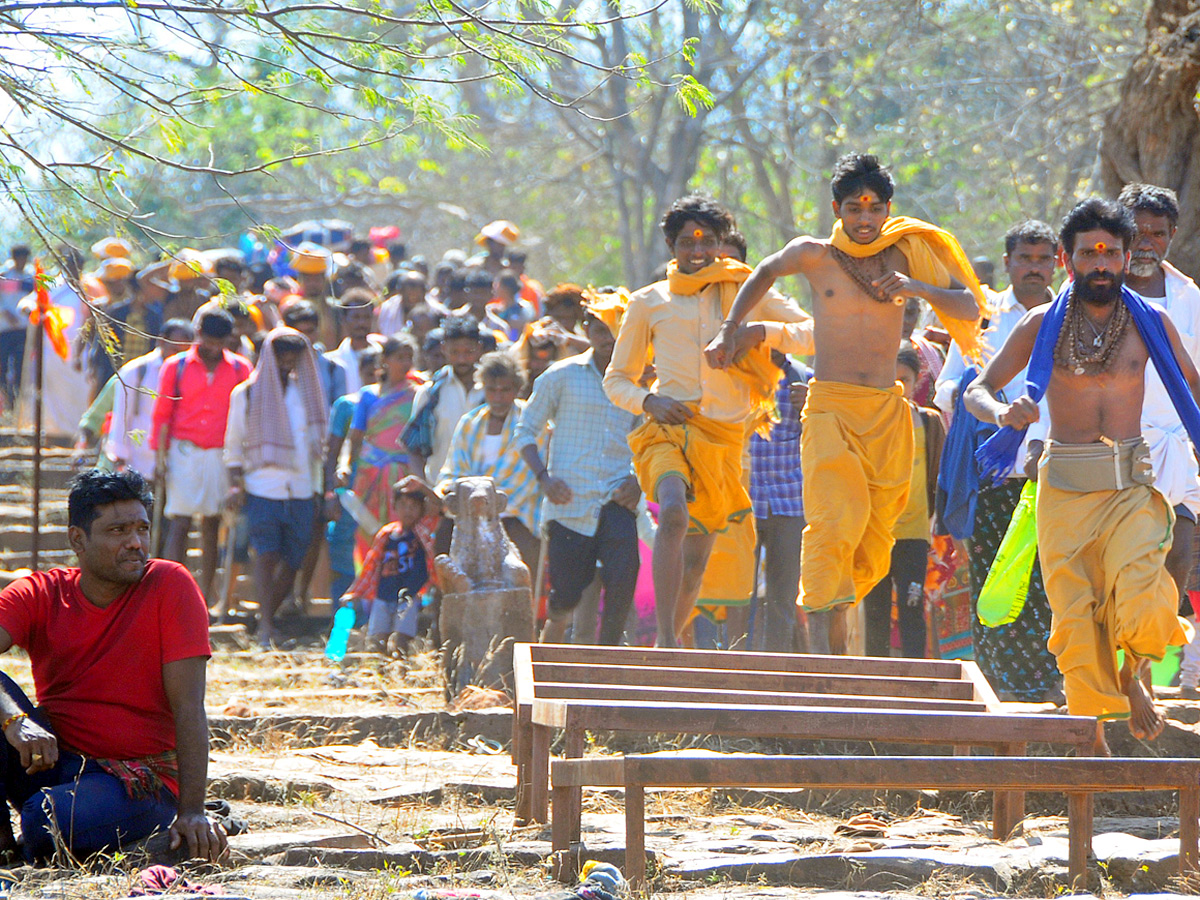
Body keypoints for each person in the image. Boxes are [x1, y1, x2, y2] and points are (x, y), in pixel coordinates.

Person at [708, 153, 984, 654]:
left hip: (885, 413)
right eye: (853, 208)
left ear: (887, 210)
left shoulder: (906, 256)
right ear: (837, 209)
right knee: (832, 525)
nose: (864, 218)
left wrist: (917, 287)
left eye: (873, 208)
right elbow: (766, 270)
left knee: (874, 537)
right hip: (830, 407)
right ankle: (823, 662)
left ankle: (837, 643)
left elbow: (969, 306)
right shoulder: (814, 255)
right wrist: (730, 330)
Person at [965, 197, 1200, 755]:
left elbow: (1194, 389)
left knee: (1144, 596)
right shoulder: (1041, 323)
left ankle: (1135, 668)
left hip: (1130, 487)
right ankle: (1092, 749)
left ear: (1125, 259)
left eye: (1110, 253)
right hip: (1063, 492)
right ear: (1068, 262)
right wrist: (1003, 414)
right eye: (1088, 253)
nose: (1101, 263)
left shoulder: (1153, 322)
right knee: (1074, 625)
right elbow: (977, 389)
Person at [603, 194, 815, 648]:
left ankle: (670, 640)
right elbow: (617, 380)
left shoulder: (749, 293)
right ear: (670, 244)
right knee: (674, 513)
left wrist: (758, 331)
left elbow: (813, 332)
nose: (698, 250)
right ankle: (663, 637)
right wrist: (648, 402)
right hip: (666, 427)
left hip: (724, 439)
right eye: (686, 241)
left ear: (722, 244)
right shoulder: (648, 302)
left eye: (708, 241)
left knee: (697, 560)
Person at [0, 469, 225, 863]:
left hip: (138, 782)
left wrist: (192, 811)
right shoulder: (40, 592)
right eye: (118, 531)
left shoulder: (170, 585)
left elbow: (190, 708)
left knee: (43, 821)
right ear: (77, 540)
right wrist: (14, 720)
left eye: (142, 528)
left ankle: (138, 832)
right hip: (55, 762)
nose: (135, 543)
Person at [935, 220, 1060, 702]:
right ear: (1006, 262)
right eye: (1024, 259)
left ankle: (1049, 682)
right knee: (995, 580)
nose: (1034, 268)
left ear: (1057, 263)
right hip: (995, 472)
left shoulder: (1072, 314)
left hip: (1056, 471)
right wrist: (992, 407)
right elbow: (951, 389)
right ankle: (997, 688)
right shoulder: (981, 316)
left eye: (1043, 259)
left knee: (1050, 581)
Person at [516, 291, 642, 645]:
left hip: (617, 499)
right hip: (569, 501)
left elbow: (647, 442)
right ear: (587, 329)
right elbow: (525, 431)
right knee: (566, 595)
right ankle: (550, 645)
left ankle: (608, 661)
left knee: (623, 576)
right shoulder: (561, 376)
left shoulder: (638, 382)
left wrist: (637, 481)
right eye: (600, 329)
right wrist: (544, 478)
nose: (608, 338)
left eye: (616, 330)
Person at [1118, 185, 1200, 655]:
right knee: (1123, 566)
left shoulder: (1188, 296)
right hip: (1114, 450)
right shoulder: (1096, 292)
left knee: (1178, 559)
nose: (1146, 243)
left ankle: (1144, 661)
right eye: (1138, 232)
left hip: (1175, 450)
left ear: (1172, 236)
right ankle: (1126, 675)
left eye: (1157, 234)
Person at [224, 328, 329, 648]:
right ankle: (267, 626)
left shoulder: (306, 392)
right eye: (282, 356)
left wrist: (325, 489)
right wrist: (234, 485)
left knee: (295, 558)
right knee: (266, 556)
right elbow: (232, 445)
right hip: (261, 487)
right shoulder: (246, 394)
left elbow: (318, 447)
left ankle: (264, 621)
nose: (287, 363)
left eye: (292, 358)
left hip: (300, 488)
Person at [151, 309, 253, 603]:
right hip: (184, 451)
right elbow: (162, 414)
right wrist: (159, 458)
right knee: (179, 522)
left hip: (221, 454)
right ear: (198, 334)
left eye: (219, 341)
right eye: (208, 340)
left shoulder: (240, 369)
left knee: (212, 524)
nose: (212, 347)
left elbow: (245, 416)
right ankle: (172, 594)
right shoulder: (176, 366)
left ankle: (203, 598)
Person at [863, 345, 944, 658]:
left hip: (913, 533)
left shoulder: (929, 423)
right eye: (889, 380)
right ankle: (876, 683)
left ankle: (916, 680)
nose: (897, 387)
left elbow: (938, 476)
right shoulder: (868, 424)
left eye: (904, 379)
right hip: (876, 533)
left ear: (916, 381)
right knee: (876, 611)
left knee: (912, 608)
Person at [438, 351, 543, 574]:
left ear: (517, 389)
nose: (498, 397)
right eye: (491, 390)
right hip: (468, 512)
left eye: (505, 390)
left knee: (517, 567)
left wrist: (490, 506)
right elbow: (454, 469)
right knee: (443, 545)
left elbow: (527, 480)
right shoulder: (469, 422)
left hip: (514, 514)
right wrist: (459, 499)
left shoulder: (533, 420)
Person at [749, 350, 811, 653]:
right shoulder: (734, 374)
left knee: (782, 595)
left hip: (790, 501)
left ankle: (775, 667)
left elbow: (825, 431)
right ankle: (735, 663)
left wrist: (810, 404)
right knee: (737, 593)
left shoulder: (804, 379)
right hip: (744, 497)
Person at [341, 476, 439, 654]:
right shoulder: (386, 534)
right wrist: (354, 592)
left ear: (421, 510)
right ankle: (379, 668)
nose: (408, 511)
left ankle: (399, 668)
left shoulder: (422, 531)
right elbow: (371, 565)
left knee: (402, 637)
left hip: (410, 595)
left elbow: (438, 507)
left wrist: (422, 487)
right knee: (378, 637)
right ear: (394, 506)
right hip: (384, 593)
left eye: (413, 507)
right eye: (403, 505)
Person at [345, 335, 421, 559]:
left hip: (405, 473)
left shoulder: (417, 394)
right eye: (400, 357)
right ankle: (368, 584)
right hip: (371, 473)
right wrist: (349, 466)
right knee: (369, 530)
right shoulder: (369, 394)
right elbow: (357, 435)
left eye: (409, 358)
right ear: (385, 360)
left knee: (405, 531)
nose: (406, 363)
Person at [325, 348, 381, 602]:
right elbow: (334, 449)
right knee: (343, 544)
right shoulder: (347, 405)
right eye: (369, 373)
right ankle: (344, 612)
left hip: (381, 487)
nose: (374, 378)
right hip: (350, 490)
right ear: (360, 372)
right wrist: (330, 491)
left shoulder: (395, 403)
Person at [107, 319, 196, 479]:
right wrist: (119, 456)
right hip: (139, 461)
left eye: (184, 351)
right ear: (161, 342)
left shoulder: (191, 373)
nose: (178, 356)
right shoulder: (136, 371)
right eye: (174, 349)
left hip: (177, 463)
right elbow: (121, 415)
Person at [402, 314, 485, 483]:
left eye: (468, 352)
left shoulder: (492, 390)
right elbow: (414, 448)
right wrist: (425, 489)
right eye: (455, 352)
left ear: (479, 348)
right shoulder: (430, 393)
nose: (462, 359)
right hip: (441, 489)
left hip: (487, 489)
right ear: (444, 348)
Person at [282, 300, 348, 408]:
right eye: (299, 332)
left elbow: (339, 412)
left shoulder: (333, 368)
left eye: (310, 331)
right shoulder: (281, 368)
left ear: (318, 331)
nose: (305, 338)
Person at [324, 289, 382, 395]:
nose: (361, 323)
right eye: (356, 317)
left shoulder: (384, 357)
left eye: (366, 317)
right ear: (343, 319)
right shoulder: (332, 362)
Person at [0, 244, 34, 406]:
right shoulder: (4, 276)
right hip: (5, 329)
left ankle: (17, 402)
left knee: (21, 366)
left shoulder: (30, 277)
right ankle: (5, 400)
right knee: (3, 366)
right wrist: (4, 312)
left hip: (23, 329)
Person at [488, 269, 536, 342]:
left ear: (506, 288)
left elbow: (523, 326)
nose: (495, 288)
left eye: (498, 285)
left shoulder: (523, 308)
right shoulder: (495, 308)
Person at [378, 270, 429, 337]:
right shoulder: (387, 310)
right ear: (400, 292)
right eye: (408, 297)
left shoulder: (436, 312)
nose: (412, 301)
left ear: (424, 294)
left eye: (417, 298)